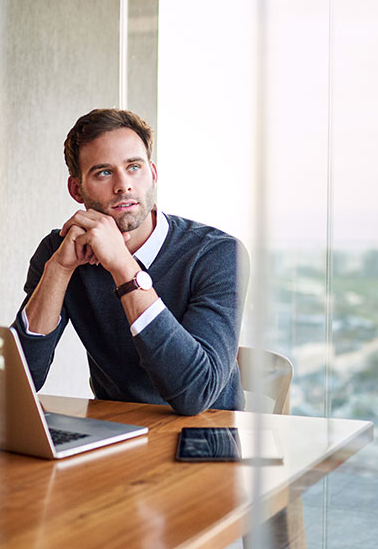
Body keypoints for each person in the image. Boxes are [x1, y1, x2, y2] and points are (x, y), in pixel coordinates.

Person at [12, 108, 247, 415]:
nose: (123, 185)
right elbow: (19, 383)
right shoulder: (60, 252)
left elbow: (196, 394)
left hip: (205, 438)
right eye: (104, 172)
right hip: (116, 432)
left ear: (153, 174)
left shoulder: (217, 254)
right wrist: (59, 269)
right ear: (76, 189)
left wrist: (124, 266)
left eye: (133, 167)